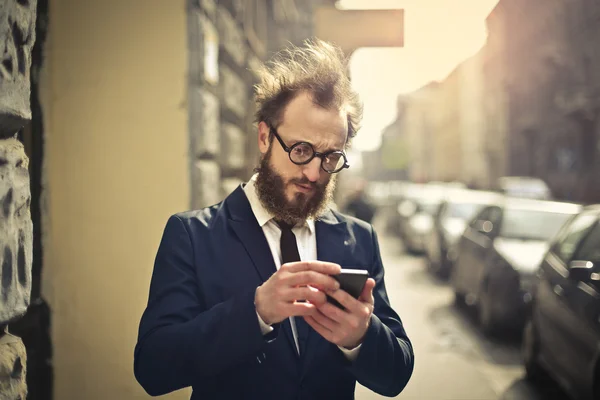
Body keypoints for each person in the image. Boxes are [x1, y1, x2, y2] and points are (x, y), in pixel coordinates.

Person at [134, 39, 414, 400]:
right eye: (301, 150)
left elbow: (397, 375)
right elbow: (154, 368)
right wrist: (256, 312)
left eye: (330, 157)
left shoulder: (358, 238)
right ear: (265, 136)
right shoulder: (192, 235)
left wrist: (361, 336)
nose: (314, 173)